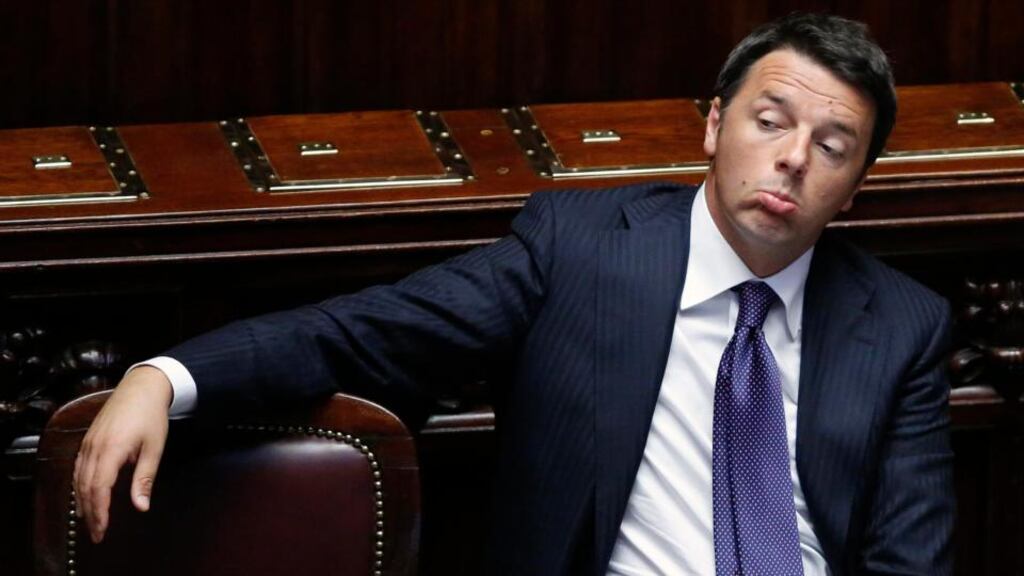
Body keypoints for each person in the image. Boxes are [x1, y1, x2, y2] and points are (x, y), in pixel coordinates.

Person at [73, 13, 954, 575]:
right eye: (771, 122)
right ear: (717, 123)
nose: (795, 156)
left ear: (858, 183)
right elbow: (364, 335)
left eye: (833, 145)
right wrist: (164, 377)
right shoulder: (576, 251)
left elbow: (910, 559)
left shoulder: (903, 327)